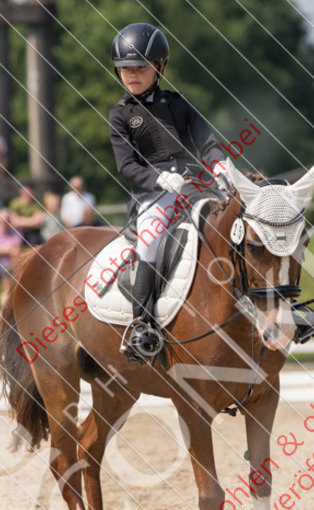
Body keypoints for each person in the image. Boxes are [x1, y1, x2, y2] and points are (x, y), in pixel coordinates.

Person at [108, 22, 230, 361]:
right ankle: (141, 325)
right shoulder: (119, 115)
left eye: (139, 68)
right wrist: (158, 180)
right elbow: (126, 166)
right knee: (149, 238)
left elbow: (208, 143)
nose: (131, 75)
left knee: (236, 224)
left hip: (194, 187)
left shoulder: (179, 105)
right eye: (124, 70)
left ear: (159, 67)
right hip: (153, 196)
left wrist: (219, 166)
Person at [8, 182, 46, 248]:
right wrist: (31, 221)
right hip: (17, 231)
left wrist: (21, 220)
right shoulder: (15, 203)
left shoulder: (37, 204)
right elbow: (14, 222)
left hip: (33, 233)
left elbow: (38, 223)